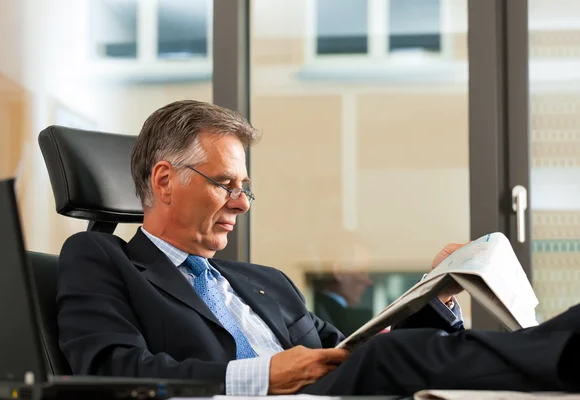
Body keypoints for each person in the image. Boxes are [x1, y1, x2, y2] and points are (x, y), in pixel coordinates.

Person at [57, 100, 579, 396]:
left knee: (395, 352)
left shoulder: (266, 283)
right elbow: (111, 373)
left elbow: (353, 351)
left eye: (246, 188)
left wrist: (435, 295)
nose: (242, 204)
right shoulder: (101, 259)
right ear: (165, 180)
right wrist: (263, 374)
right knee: (395, 357)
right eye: (226, 184)